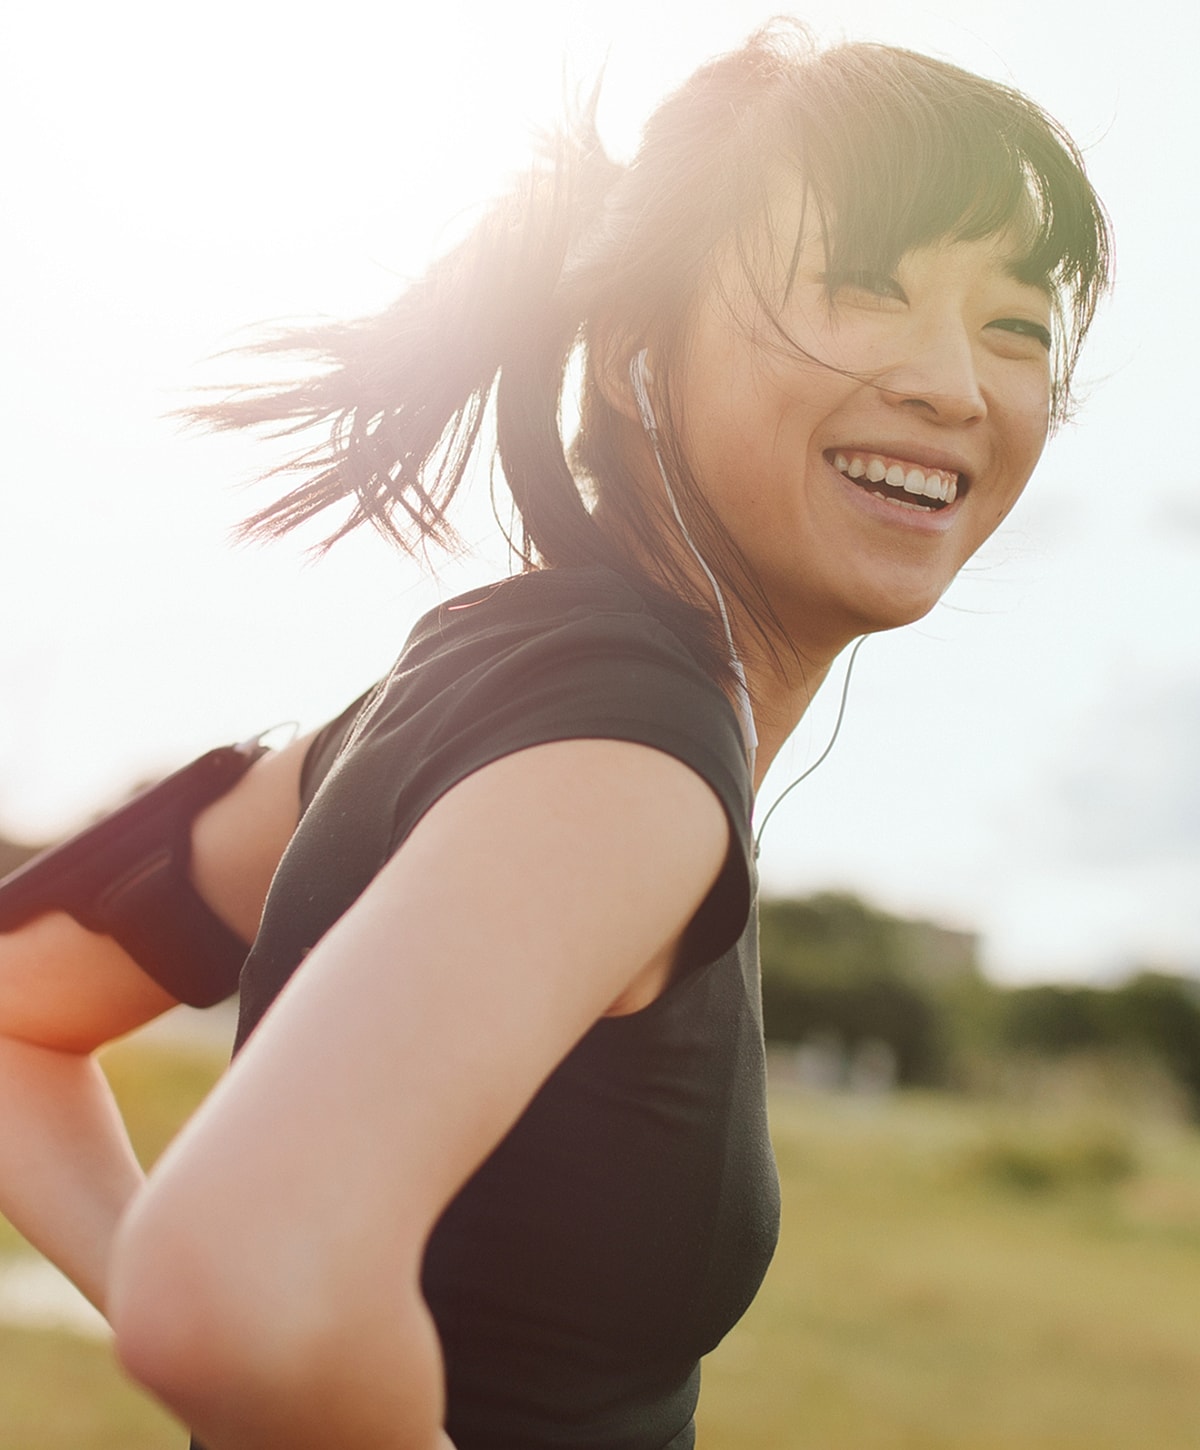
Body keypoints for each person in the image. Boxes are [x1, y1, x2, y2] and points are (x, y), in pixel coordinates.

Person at [0, 21, 1109, 1450]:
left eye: (1016, 323)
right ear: (641, 342)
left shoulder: (467, 689)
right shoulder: (626, 766)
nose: (956, 384)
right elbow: (239, 1288)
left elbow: (18, 1014)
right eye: (858, 288)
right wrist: (218, 1329)